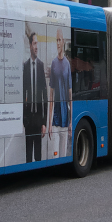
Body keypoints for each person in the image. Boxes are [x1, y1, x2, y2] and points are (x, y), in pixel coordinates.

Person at [22, 29, 47, 163]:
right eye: (35, 44)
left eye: (38, 44)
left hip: (38, 119)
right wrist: (23, 119)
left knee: (38, 155)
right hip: (28, 119)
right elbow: (23, 94)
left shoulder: (41, 66)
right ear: (30, 46)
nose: (36, 47)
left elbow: (45, 96)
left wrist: (44, 122)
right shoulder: (25, 66)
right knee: (28, 155)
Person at [48, 28, 72, 160]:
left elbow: (70, 94)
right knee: (55, 155)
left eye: (59, 40)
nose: (57, 43)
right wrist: (49, 122)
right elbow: (51, 95)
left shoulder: (67, 64)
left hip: (65, 117)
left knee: (63, 154)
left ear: (63, 42)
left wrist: (71, 123)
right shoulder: (53, 63)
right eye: (56, 40)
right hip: (56, 117)